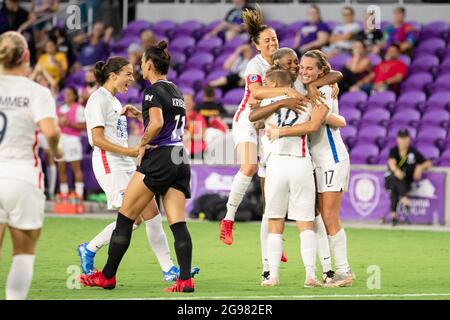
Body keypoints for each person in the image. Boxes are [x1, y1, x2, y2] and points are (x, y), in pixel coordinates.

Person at [79, 41, 197, 293]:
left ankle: (107, 275)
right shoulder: (176, 90)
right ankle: (183, 279)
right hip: (179, 157)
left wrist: (141, 144)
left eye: (141, 64)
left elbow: (156, 123)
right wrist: (133, 117)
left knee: (126, 218)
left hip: (160, 158)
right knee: (176, 223)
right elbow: (166, 121)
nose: (137, 71)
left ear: (150, 65)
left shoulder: (151, 92)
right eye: (129, 72)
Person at [266, 50, 354, 287]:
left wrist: (280, 131)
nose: (303, 71)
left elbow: (314, 125)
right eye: (301, 67)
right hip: (312, 160)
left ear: (320, 71)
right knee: (315, 216)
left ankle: (344, 272)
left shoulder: (324, 89)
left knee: (328, 216)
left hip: (331, 159)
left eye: (309, 68)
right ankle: (328, 271)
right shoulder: (304, 85)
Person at [0, 31, 63, 300]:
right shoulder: (37, 92)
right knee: (23, 254)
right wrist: (56, 149)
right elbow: (50, 132)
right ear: (26, 56)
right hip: (22, 175)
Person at [249, 67, 321, 288]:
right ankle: (310, 275)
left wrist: (273, 104)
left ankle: (272, 276)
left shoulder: (269, 102)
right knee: (305, 224)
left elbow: (253, 118)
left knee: (274, 222)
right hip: (300, 162)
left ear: (272, 84)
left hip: (277, 164)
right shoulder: (306, 100)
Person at [385, 129, 432, 226]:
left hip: (405, 183)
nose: (403, 140)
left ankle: (394, 217)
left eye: (405, 138)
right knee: (394, 178)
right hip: (390, 180)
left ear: (409, 139)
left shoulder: (413, 152)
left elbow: (428, 162)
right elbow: (391, 163)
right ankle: (404, 198)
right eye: (401, 138)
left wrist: (420, 167)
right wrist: (396, 171)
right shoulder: (393, 151)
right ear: (397, 139)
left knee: (395, 188)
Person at [56, 87, 85, 204]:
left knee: (75, 167)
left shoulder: (79, 108)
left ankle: (79, 196)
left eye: (69, 94)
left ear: (74, 96)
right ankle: (64, 195)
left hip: (73, 140)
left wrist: (69, 123)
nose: (66, 96)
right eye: (65, 94)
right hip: (60, 140)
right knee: (61, 168)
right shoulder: (59, 109)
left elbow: (83, 126)